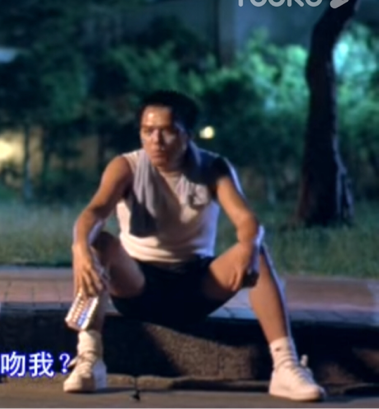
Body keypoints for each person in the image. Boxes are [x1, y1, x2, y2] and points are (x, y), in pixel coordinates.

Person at [61, 90, 326, 402]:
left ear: (188, 134)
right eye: (147, 131)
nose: (156, 140)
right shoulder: (127, 166)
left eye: (167, 131)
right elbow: (94, 212)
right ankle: (90, 359)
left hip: (196, 285)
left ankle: (285, 366)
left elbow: (246, 219)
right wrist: (80, 247)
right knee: (98, 243)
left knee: (256, 250)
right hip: (139, 285)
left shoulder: (213, 168)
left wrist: (250, 245)